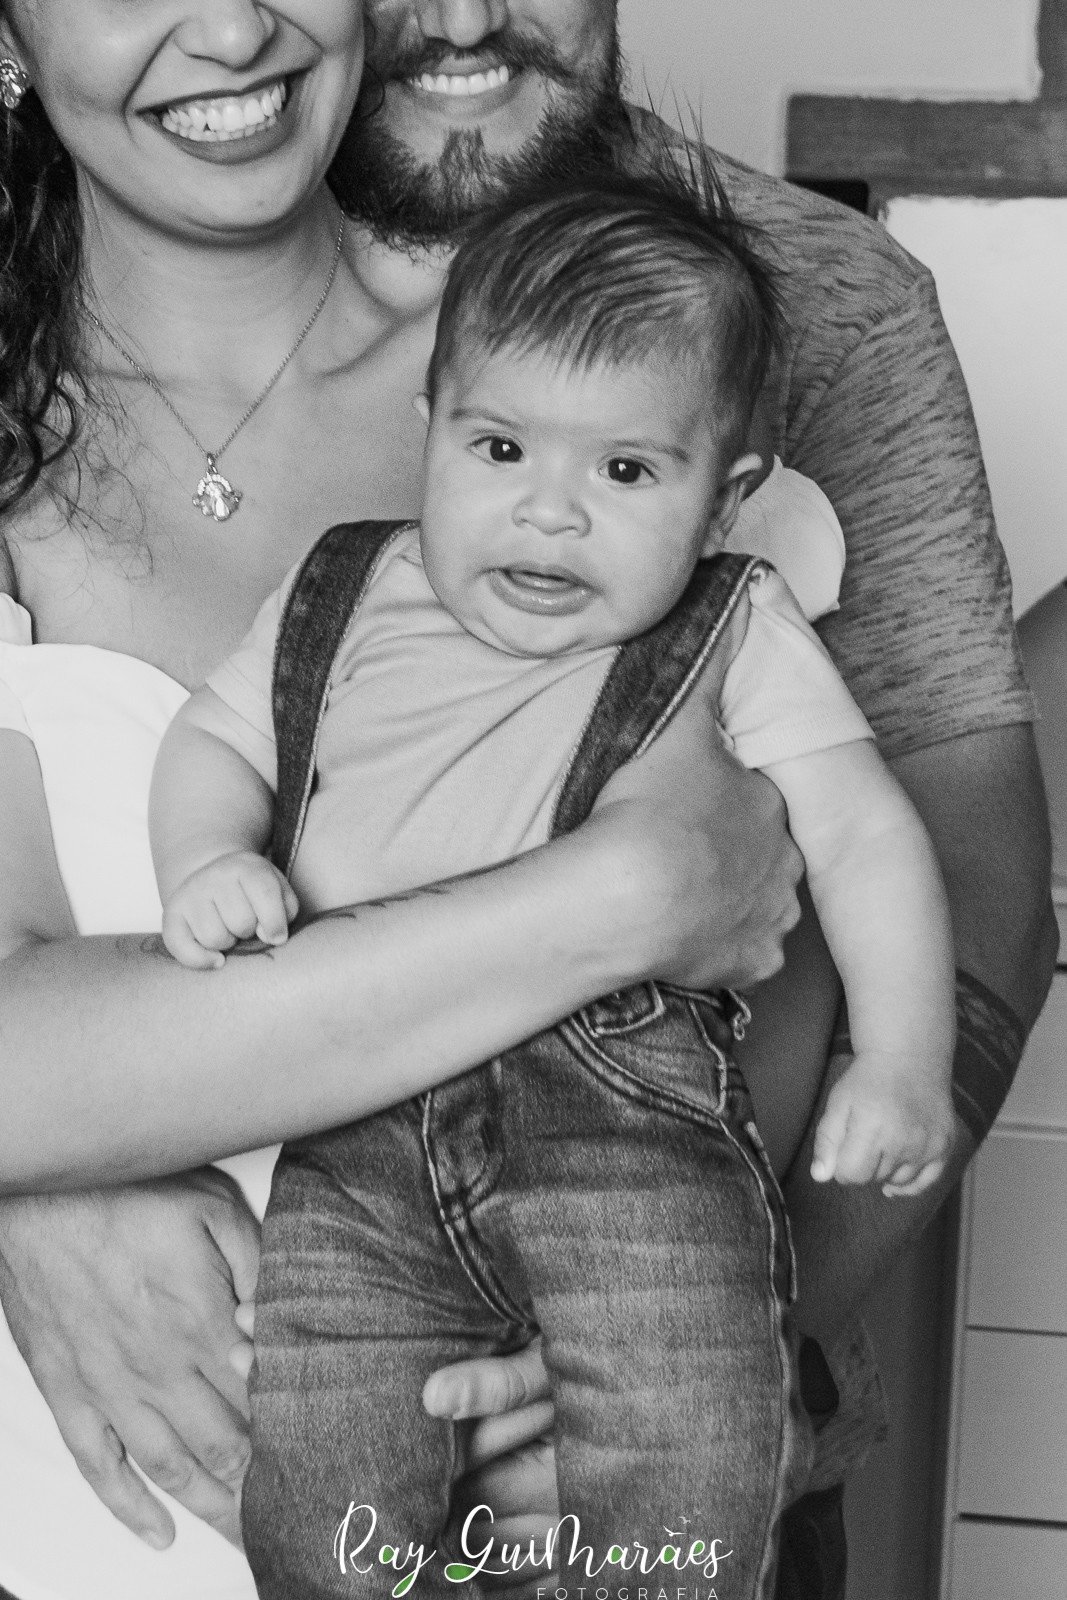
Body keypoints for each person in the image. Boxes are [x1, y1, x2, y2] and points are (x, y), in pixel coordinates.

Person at [0, 1, 1053, 1598]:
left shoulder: (617, 363)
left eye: (623, 474)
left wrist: (699, 1344)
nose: (224, 27)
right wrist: (40, 1181)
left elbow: (924, 882)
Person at [148, 172, 954, 1597]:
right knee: (319, 1472)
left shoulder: (736, 628)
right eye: (502, 447)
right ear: (429, 431)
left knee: (685, 1441)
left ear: (727, 498)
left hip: (626, 1128)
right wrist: (206, 857)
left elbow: (865, 834)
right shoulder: (345, 591)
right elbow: (215, 740)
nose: (549, 513)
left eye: (626, 473)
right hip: (354, 1119)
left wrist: (901, 1060)